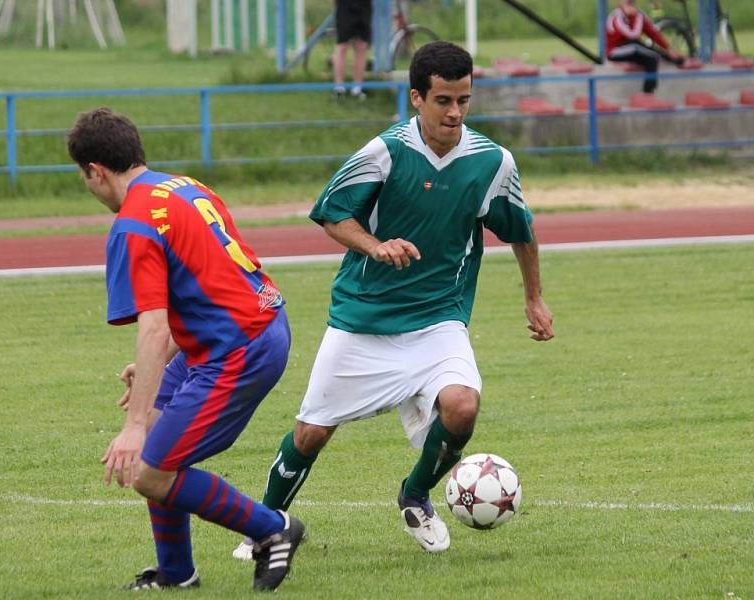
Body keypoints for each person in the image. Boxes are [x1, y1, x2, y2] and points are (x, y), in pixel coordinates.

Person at [233, 40, 555, 560]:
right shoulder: (384, 152)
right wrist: (375, 246)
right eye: (444, 100)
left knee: (463, 406)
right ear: (416, 98)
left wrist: (534, 299)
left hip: (437, 321)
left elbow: (522, 231)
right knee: (312, 433)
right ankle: (265, 526)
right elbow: (332, 213)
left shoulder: (493, 162)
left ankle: (415, 496)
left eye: (464, 100)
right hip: (363, 319)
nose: (455, 113)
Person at [66, 107, 305, 592]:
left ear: (96, 171)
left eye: (84, 178)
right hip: (247, 327)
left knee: (148, 469)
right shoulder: (184, 188)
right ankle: (177, 574)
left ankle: (273, 530)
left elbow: (154, 327)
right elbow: (207, 286)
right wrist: (157, 367)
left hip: (240, 348)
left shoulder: (132, 225)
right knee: (159, 445)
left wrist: (132, 427)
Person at [605, 0, 683, 93]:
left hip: (633, 50)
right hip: (615, 52)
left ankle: (648, 93)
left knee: (651, 60)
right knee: (636, 45)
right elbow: (633, 35)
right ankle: (666, 57)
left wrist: (668, 48)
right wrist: (635, 16)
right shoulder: (616, 16)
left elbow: (653, 33)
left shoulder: (639, 15)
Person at [332, 0, 371, 100]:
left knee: (362, 45)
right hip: (345, 5)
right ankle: (339, 89)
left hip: (364, 6)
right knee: (342, 45)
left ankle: (357, 89)